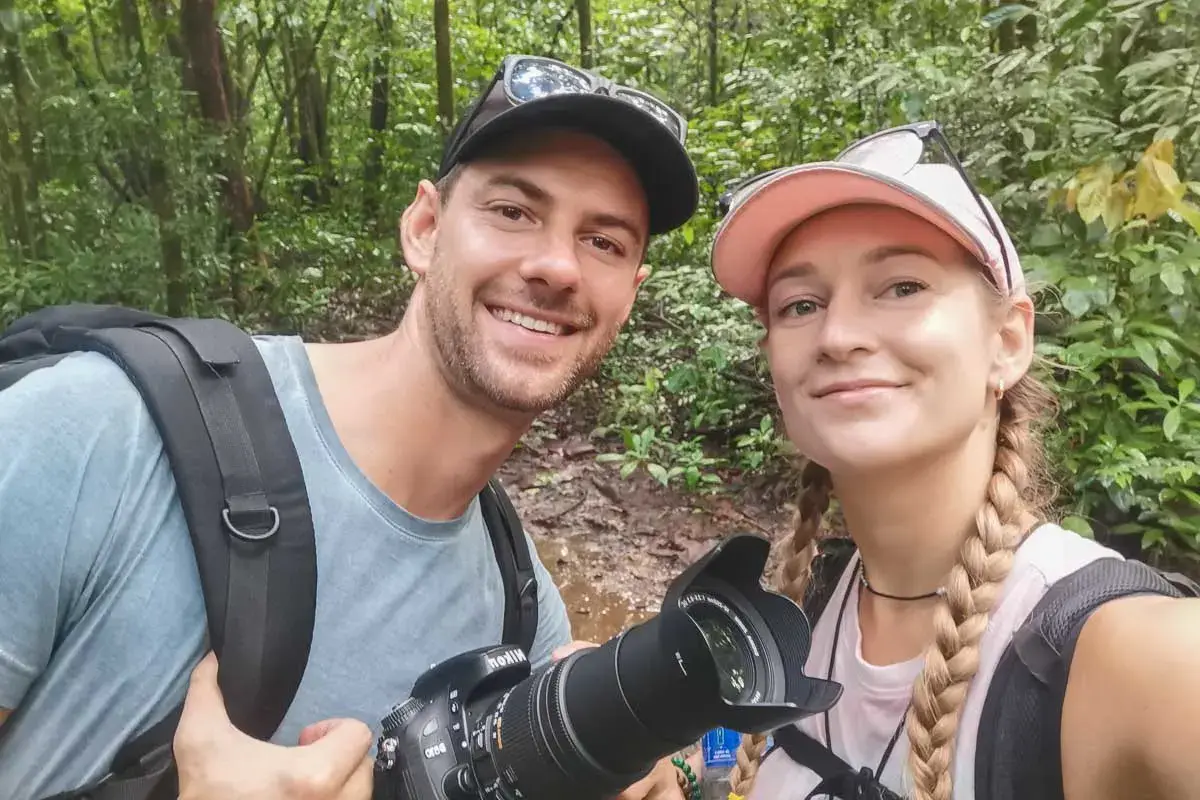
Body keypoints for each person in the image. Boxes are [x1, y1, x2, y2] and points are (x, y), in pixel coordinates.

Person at [0, 54, 699, 800]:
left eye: (605, 242)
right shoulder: (98, 430)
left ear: (628, 295)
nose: (558, 266)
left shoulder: (519, 613)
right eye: (514, 211)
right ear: (425, 228)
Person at [705, 121, 1200, 799]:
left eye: (902, 287)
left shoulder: (1122, 652)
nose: (839, 335)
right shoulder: (805, 609)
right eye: (800, 304)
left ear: (1008, 340)